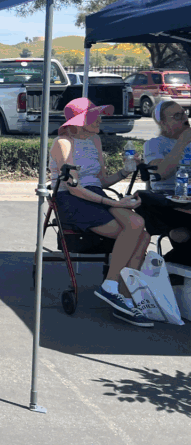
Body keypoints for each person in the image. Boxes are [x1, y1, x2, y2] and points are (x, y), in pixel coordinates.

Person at [49, 97, 153, 326]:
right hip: (72, 199)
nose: (100, 119)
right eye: (94, 116)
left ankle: (120, 296)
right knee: (136, 228)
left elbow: (102, 180)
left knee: (141, 231)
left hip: (96, 194)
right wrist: (117, 204)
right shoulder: (62, 143)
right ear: (78, 121)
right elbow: (75, 188)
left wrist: (126, 171)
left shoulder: (94, 140)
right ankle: (113, 287)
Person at [137, 100, 191, 266]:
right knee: (182, 234)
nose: (184, 119)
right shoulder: (154, 144)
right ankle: (168, 264)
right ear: (163, 122)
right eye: (177, 116)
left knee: (183, 234)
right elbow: (162, 172)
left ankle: (170, 263)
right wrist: (182, 142)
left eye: (184, 113)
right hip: (168, 199)